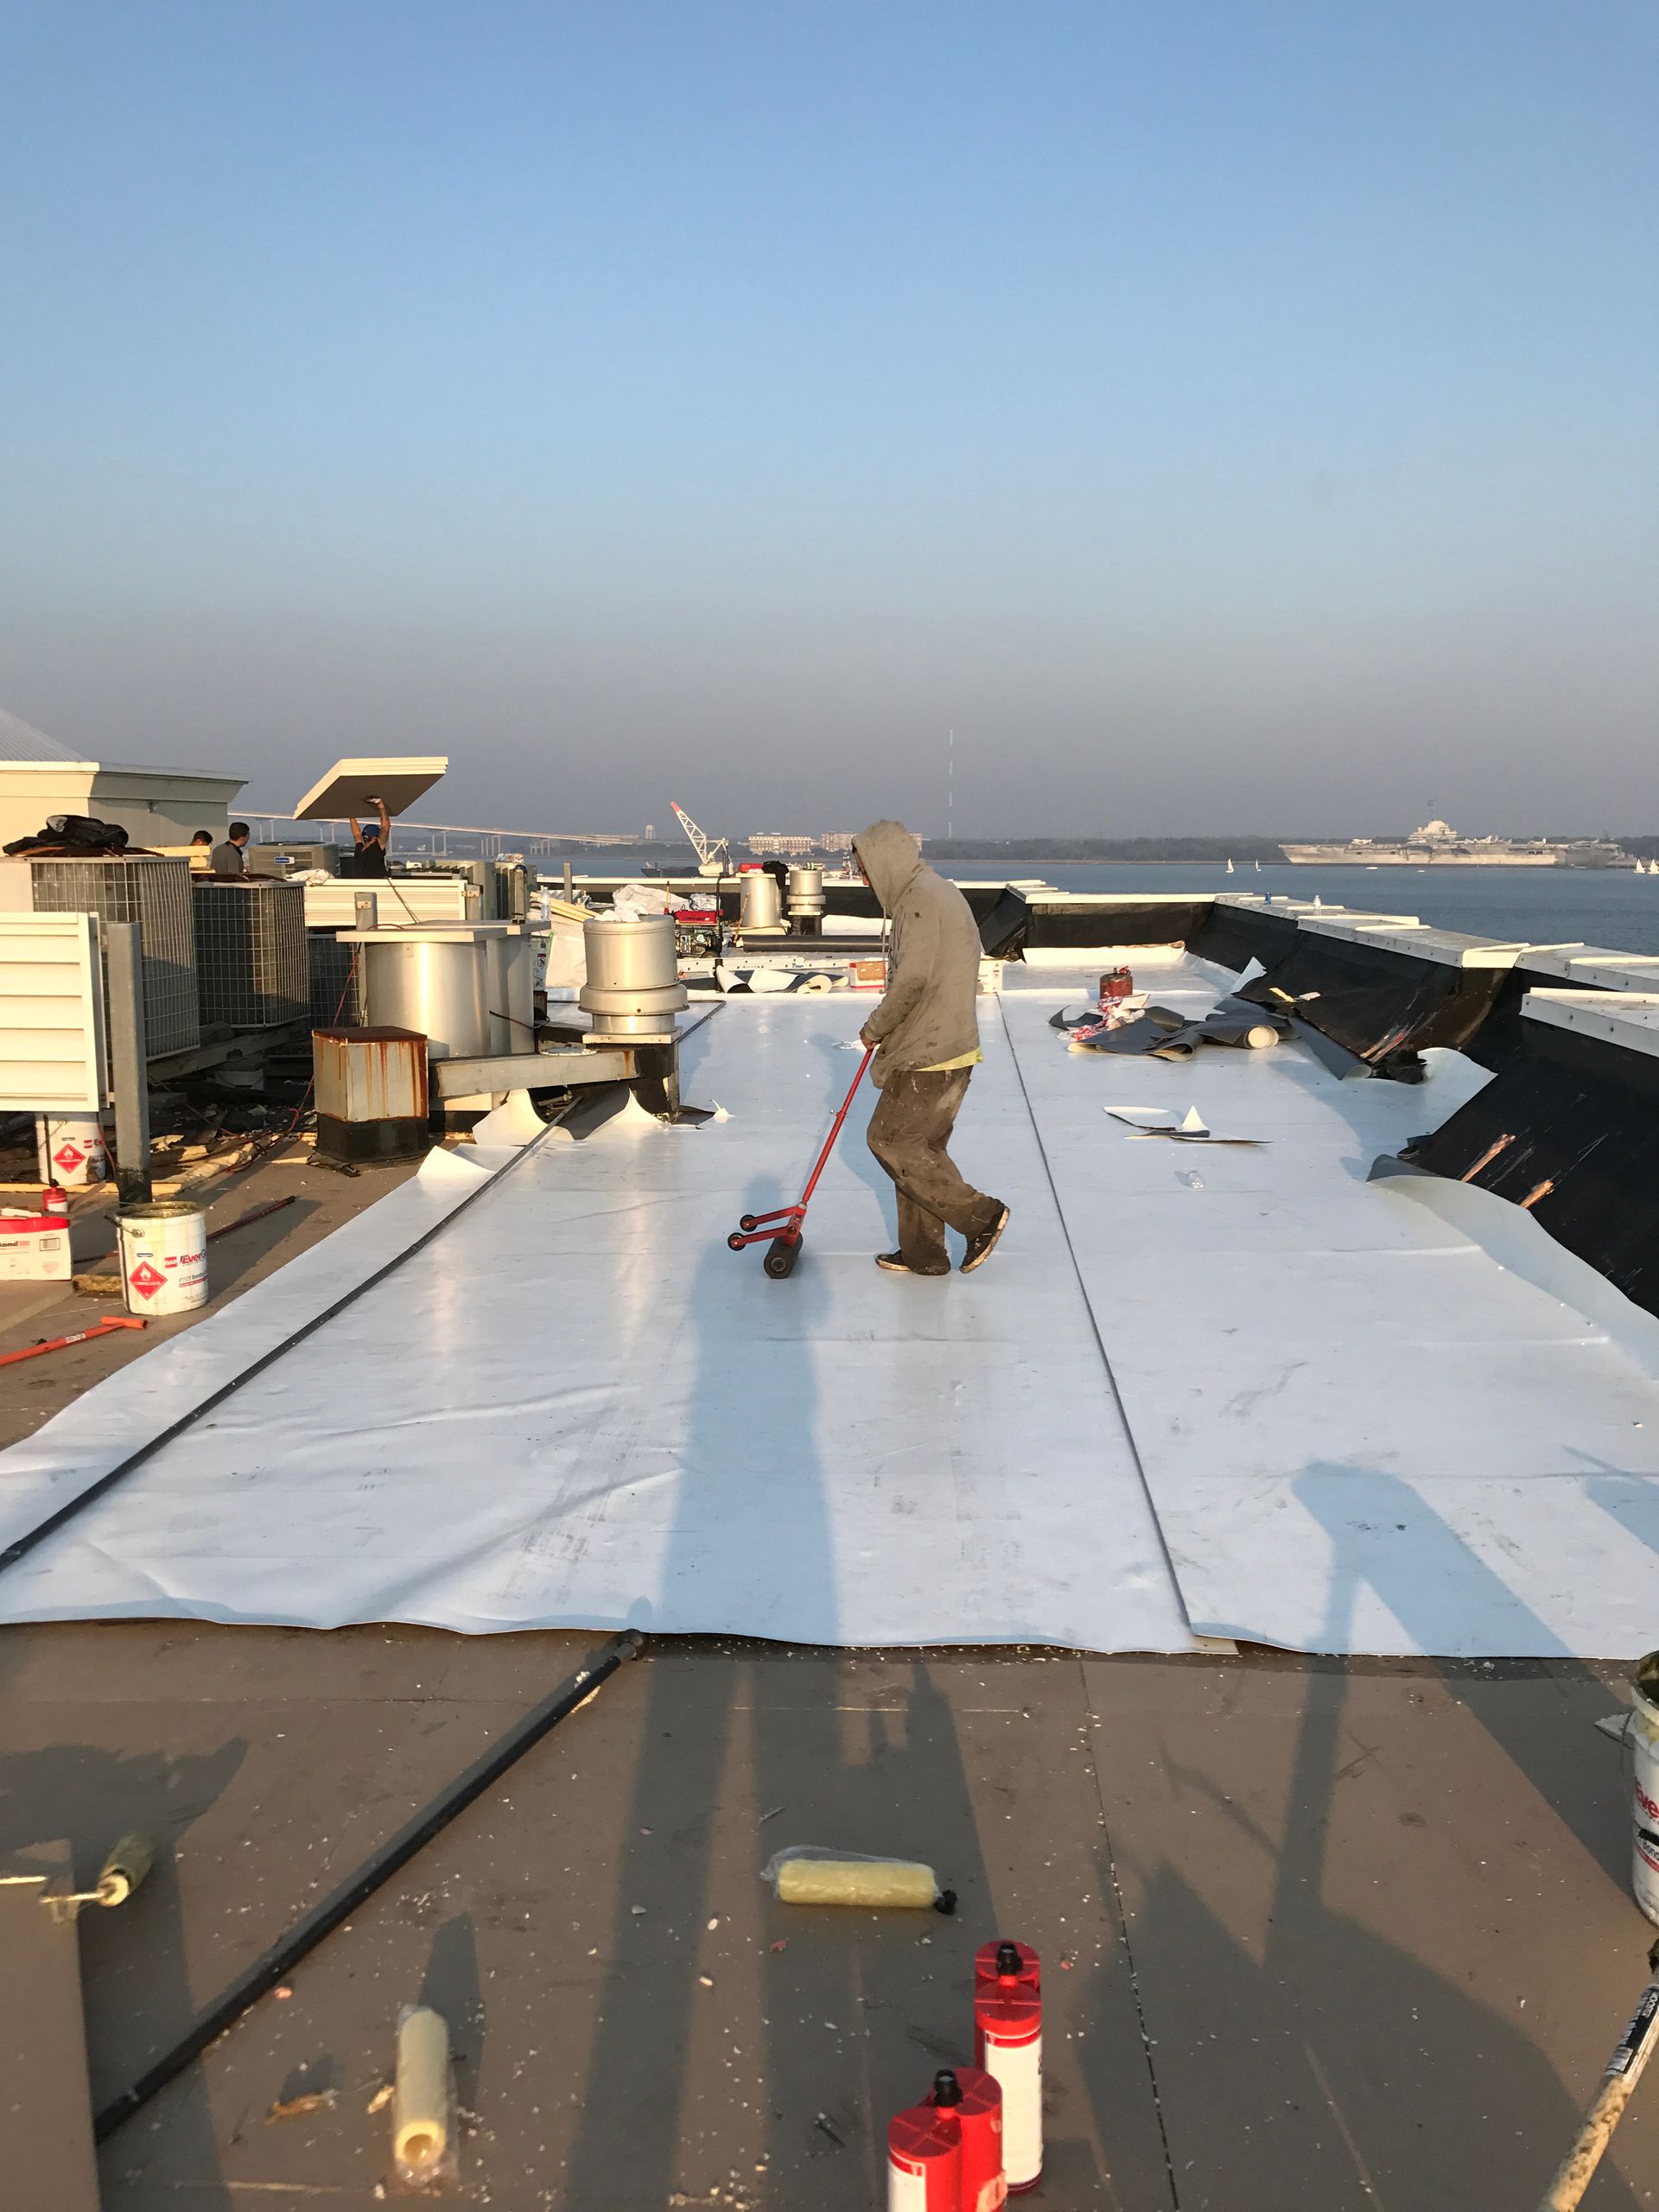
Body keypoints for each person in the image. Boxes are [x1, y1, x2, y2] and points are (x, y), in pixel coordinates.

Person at [852, 819, 1010, 1276]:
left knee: (889, 1140)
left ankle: (981, 1216)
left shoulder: (918, 901)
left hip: (930, 1050)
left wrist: (874, 1028)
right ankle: (925, 1255)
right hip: (948, 1044)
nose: (863, 879)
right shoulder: (934, 890)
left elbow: (912, 981)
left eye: (864, 868)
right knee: (919, 1152)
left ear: (884, 860)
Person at [342, 796, 391, 877]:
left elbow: (357, 834)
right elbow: (386, 826)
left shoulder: (360, 849)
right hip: (375, 885)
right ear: (376, 836)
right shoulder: (377, 847)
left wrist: (351, 816)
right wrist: (381, 805)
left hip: (363, 885)